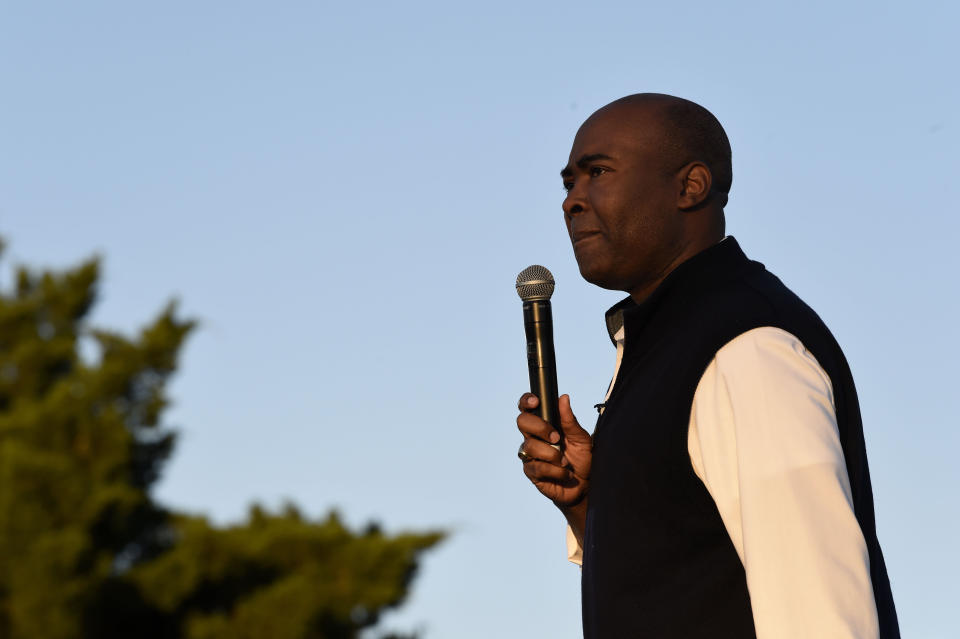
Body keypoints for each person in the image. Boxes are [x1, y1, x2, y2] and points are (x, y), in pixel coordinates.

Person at [515, 93, 899, 638]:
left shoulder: (747, 345)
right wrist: (592, 507)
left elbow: (818, 607)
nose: (572, 200)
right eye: (568, 183)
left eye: (597, 172)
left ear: (689, 187)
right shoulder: (669, 339)